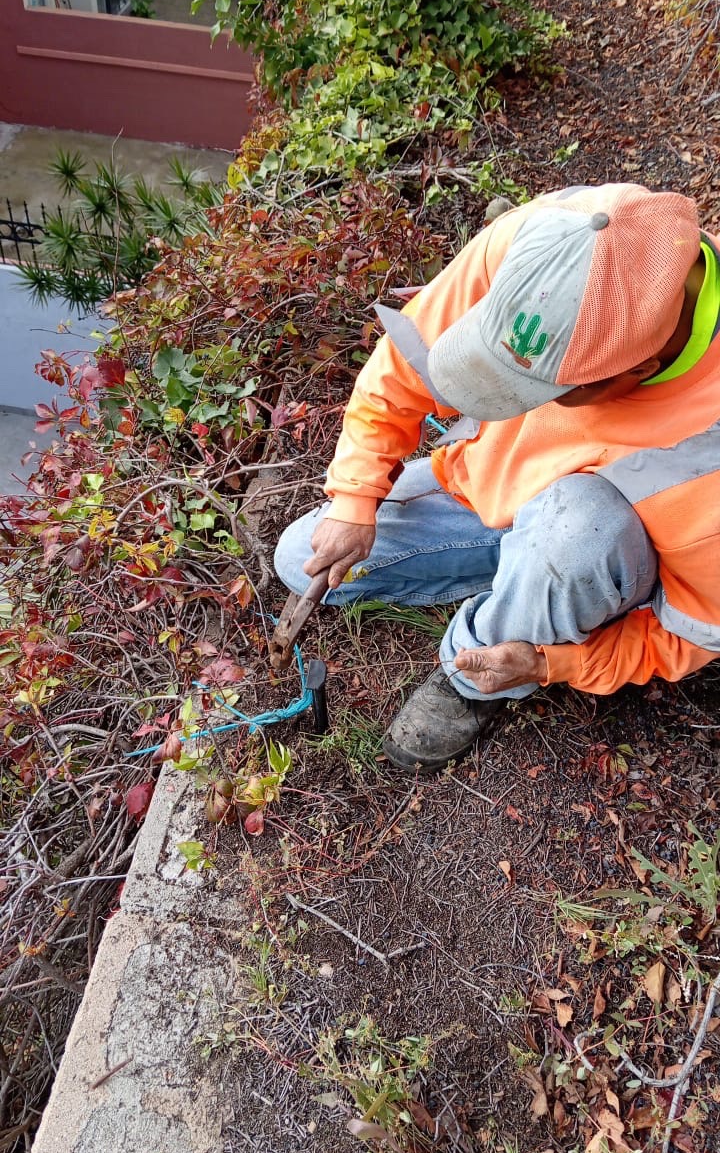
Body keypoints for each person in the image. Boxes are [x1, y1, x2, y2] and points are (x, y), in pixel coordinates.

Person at [274, 183, 720, 772]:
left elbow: (692, 633)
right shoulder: (560, 239)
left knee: (576, 531)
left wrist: (547, 663)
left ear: (638, 370)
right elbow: (406, 363)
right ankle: (531, 579)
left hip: (601, 546)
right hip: (494, 486)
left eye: (536, 392)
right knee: (299, 556)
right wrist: (355, 496)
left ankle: (472, 679)